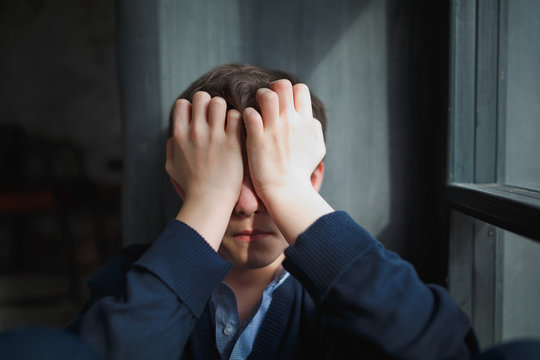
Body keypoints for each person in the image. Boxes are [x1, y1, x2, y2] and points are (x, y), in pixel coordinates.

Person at [67, 64, 477, 359]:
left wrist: (289, 192)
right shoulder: (129, 282)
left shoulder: (358, 295)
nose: (247, 205)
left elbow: (445, 350)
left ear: (311, 181)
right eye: (225, 184)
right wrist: (206, 203)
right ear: (184, 185)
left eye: (267, 181)